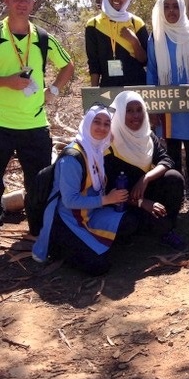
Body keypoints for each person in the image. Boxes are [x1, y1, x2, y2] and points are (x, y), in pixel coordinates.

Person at [0, 0, 74, 232]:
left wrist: (52, 90)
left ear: (33, 3)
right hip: (1, 124)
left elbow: (68, 65)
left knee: (39, 184)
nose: (21, 3)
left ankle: (39, 235)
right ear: (6, 0)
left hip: (35, 124)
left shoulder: (43, 38)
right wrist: (7, 81)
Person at [32, 104, 138, 275]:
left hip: (90, 213)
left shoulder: (97, 149)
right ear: (87, 123)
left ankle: (88, 245)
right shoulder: (72, 158)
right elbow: (69, 201)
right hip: (67, 219)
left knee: (130, 222)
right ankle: (60, 247)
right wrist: (107, 200)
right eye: (97, 122)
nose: (102, 128)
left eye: (106, 124)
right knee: (99, 266)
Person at [147, 0, 189, 211]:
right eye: (167, 6)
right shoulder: (156, 36)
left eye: (175, 6)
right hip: (167, 109)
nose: (171, 11)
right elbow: (152, 74)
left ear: (182, 8)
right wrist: (153, 108)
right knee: (171, 154)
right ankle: (177, 197)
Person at [105, 90, 186, 249]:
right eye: (129, 111)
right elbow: (106, 189)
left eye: (139, 110)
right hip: (122, 202)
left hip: (146, 194)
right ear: (120, 113)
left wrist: (146, 178)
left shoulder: (147, 136)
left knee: (174, 177)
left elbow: (166, 160)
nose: (136, 115)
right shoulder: (109, 145)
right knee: (130, 224)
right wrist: (142, 202)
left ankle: (167, 229)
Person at [86, 0, 148, 87]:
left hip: (137, 86)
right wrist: (93, 94)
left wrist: (134, 41)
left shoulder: (136, 23)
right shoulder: (93, 25)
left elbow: (145, 60)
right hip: (108, 88)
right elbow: (94, 63)